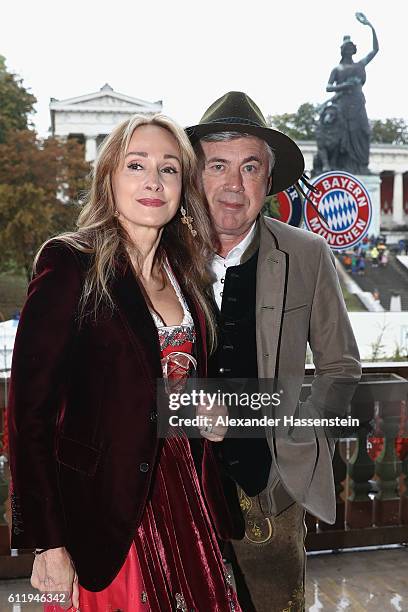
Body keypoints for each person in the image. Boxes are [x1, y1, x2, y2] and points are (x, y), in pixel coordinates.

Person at [7, 114, 241, 611]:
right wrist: (47, 542)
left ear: (184, 187)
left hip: (188, 499)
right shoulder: (70, 264)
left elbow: (167, 390)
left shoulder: (188, 277)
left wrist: (207, 414)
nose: (153, 181)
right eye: (136, 165)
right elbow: (29, 417)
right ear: (109, 178)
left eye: (169, 168)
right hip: (106, 511)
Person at [187, 91, 362, 612]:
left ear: (268, 181)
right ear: (196, 174)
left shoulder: (307, 254)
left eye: (249, 167)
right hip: (173, 493)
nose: (232, 185)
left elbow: (341, 366)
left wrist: (296, 434)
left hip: (270, 495)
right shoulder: (155, 252)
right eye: (217, 165)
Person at [324, 12, 379, 174]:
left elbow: (375, 49)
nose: (349, 49)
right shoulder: (337, 69)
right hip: (342, 105)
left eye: (351, 47)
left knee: (364, 132)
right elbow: (328, 87)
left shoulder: (360, 65)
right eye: (346, 48)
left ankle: (362, 166)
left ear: (353, 50)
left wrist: (370, 26)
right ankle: (344, 167)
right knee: (344, 136)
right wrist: (345, 85)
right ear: (343, 50)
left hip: (358, 102)